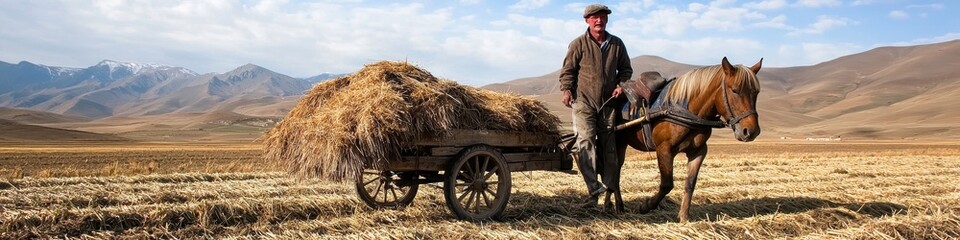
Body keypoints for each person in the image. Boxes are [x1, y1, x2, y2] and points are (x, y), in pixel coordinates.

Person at [559, 3, 633, 208]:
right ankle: (594, 190)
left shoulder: (617, 44)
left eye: (602, 17)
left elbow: (626, 70)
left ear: (607, 19)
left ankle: (610, 190)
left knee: (609, 149)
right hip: (583, 102)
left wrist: (621, 85)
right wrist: (566, 90)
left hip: (608, 104)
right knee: (586, 142)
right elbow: (567, 72)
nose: (599, 20)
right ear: (587, 21)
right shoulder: (578, 44)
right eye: (594, 17)